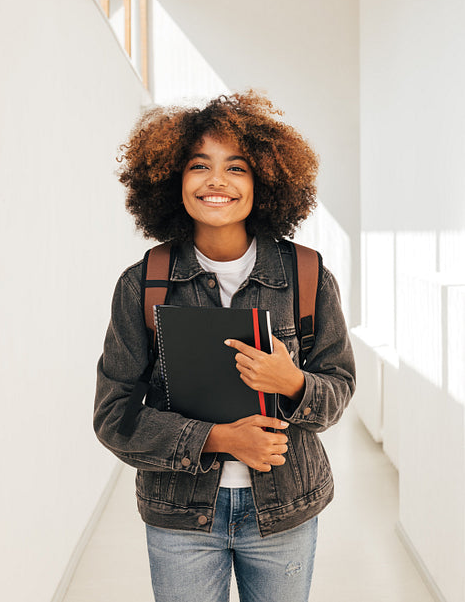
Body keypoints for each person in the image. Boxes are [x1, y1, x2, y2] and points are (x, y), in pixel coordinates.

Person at [94, 90, 355, 602]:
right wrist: (218, 439)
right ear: (174, 181)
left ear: (264, 181)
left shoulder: (306, 275)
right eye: (199, 166)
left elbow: (339, 388)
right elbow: (113, 417)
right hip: (180, 516)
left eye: (236, 167)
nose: (217, 181)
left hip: (284, 512)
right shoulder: (142, 283)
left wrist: (294, 383)